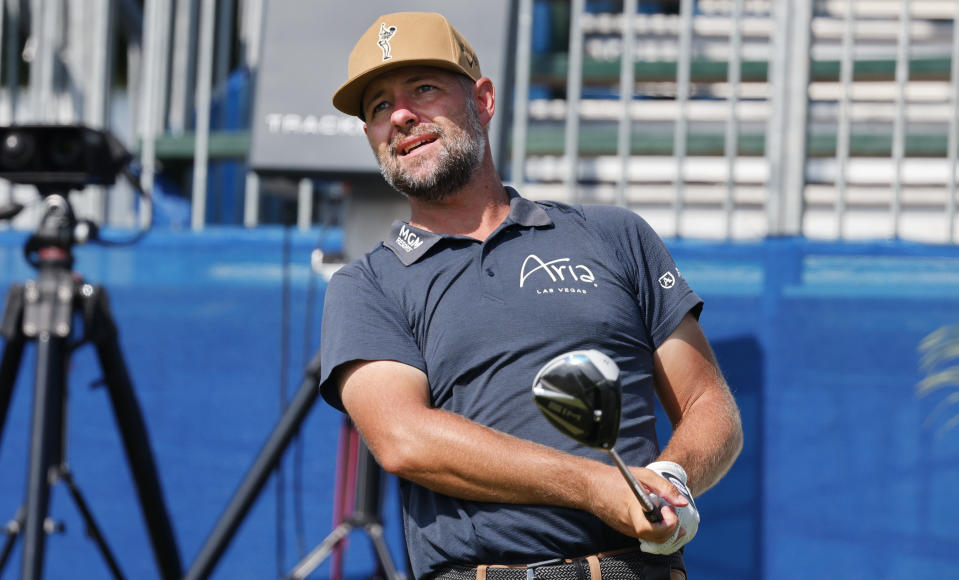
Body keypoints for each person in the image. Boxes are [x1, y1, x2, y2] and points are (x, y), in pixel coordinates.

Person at [319, 11, 743, 580]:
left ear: (484, 100)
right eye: (377, 107)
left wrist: (674, 479)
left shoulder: (615, 234)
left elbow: (708, 405)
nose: (400, 115)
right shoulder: (364, 285)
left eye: (424, 89)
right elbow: (404, 439)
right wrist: (595, 486)